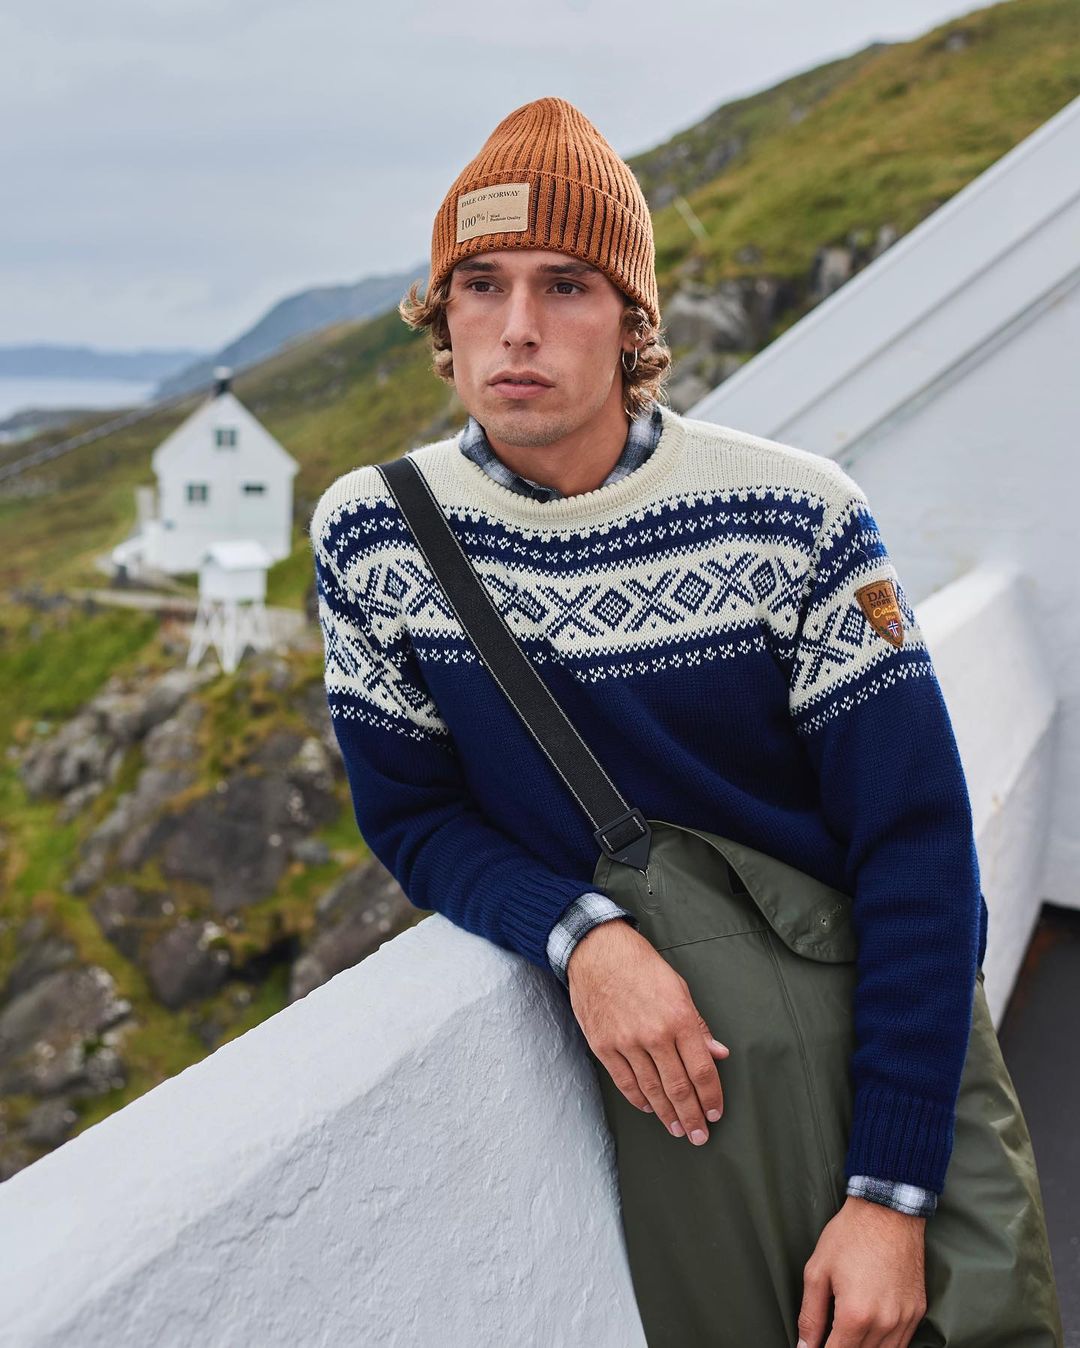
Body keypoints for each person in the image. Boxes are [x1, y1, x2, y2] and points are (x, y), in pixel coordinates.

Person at [309, 96, 992, 1346]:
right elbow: (411, 815)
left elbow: (920, 852)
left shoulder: (797, 518)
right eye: (481, 286)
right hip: (682, 1117)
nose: (518, 327)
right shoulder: (373, 534)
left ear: (633, 321)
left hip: (871, 1056)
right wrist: (580, 936)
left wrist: (891, 1195)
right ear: (441, 321)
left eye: (567, 285)